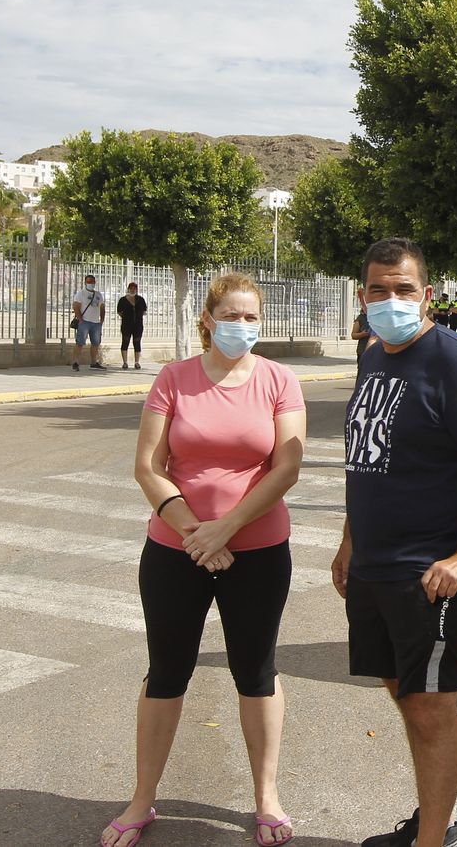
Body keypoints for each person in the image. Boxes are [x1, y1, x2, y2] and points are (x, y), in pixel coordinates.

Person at [101, 273, 307, 847]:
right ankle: (143, 799)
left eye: (252, 316)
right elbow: (149, 464)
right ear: (209, 319)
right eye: (232, 316)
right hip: (175, 549)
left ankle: (267, 797)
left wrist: (226, 529)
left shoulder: (278, 380)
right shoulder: (174, 378)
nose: (243, 326)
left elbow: (286, 468)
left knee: (256, 672)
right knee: (166, 672)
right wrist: (195, 533)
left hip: (259, 550)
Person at [332, 238, 457, 847]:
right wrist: (348, 542)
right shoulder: (373, 355)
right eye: (378, 290)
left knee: (432, 706)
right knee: (404, 693)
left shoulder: (456, 361)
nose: (390, 301)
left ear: (427, 295)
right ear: (362, 295)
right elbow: (366, 456)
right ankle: (434, 820)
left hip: (431, 572)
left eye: (403, 289)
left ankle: (436, 840)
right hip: (376, 566)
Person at [72, 273, 107, 371]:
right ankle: (75, 362)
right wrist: (80, 319)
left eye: (92, 282)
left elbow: (102, 307)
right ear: (85, 282)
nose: (91, 283)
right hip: (85, 322)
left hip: (96, 323)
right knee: (80, 342)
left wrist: (102, 319)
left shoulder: (98, 294)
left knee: (95, 343)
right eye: (89, 282)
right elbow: (75, 306)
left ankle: (93, 362)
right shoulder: (81, 293)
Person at [117, 282, 147, 370]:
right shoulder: (123, 300)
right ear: (128, 289)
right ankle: (125, 362)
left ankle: (137, 362)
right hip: (126, 325)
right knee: (125, 342)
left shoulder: (140, 299)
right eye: (131, 288)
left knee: (137, 342)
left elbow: (144, 311)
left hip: (138, 325)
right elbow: (119, 311)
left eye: (134, 288)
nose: (132, 290)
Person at [351, 285, 376, 361]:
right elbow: (353, 335)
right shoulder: (361, 318)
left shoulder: (379, 317)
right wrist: (362, 334)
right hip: (363, 351)